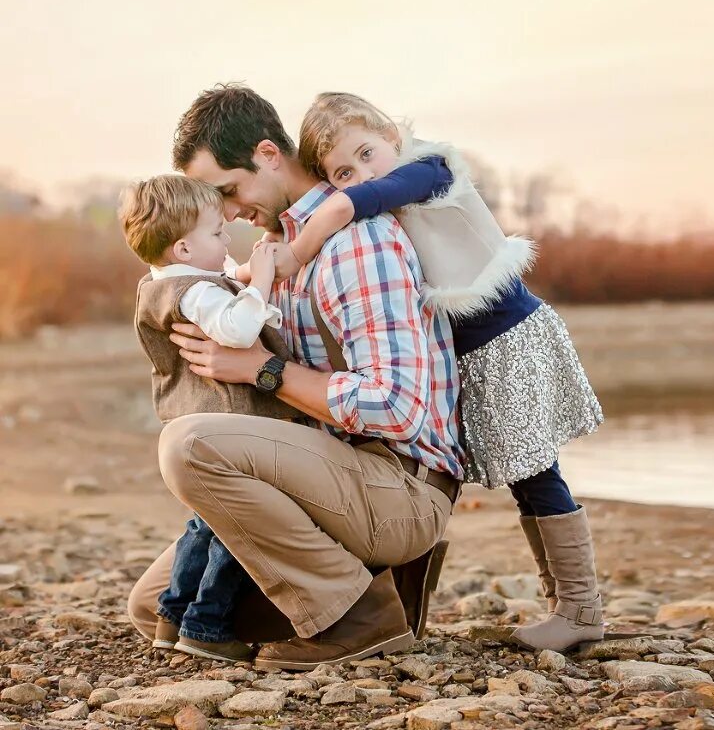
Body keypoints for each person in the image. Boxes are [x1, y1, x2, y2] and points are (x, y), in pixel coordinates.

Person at [126, 84, 464, 671]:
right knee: (155, 606)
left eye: (229, 192)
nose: (227, 214)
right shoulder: (273, 256)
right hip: (322, 478)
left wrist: (262, 370)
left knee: (189, 446)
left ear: (268, 153)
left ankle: (362, 617)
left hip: (398, 484)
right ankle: (354, 585)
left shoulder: (357, 241)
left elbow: (397, 407)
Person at [276, 91, 605, 651]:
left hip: (505, 342)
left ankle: (579, 608)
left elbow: (342, 207)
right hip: (477, 351)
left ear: (391, 134)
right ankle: (567, 604)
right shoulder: (387, 196)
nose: (361, 175)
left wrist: (295, 251)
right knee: (529, 478)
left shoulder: (430, 169)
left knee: (537, 473)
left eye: (366, 153)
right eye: (343, 171)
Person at [120, 174, 295, 662]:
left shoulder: (163, 285)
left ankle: (172, 616)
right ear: (183, 248)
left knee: (205, 525)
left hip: (195, 419)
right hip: (228, 424)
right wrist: (260, 281)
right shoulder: (194, 292)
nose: (227, 241)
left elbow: (222, 287)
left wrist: (243, 276)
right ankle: (207, 625)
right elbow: (238, 330)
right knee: (238, 526)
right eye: (217, 234)